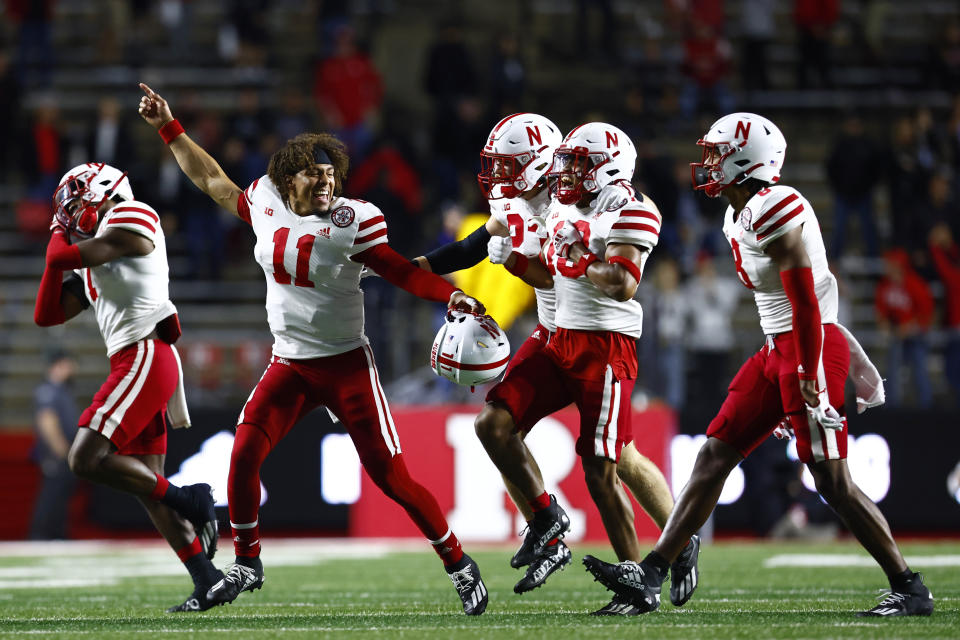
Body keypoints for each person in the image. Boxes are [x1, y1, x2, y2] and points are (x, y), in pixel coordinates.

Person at [138, 83, 490, 616]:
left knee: (391, 476)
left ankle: (459, 563)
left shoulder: (355, 220)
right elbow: (212, 180)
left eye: (331, 174)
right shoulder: (264, 200)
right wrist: (169, 127)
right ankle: (248, 563)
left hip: (347, 363)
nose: (326, 181)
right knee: (244, 453)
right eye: (313, 173)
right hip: (291, 364)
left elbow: (399, 271)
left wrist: (455, 295)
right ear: (288, 179)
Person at [583, 112, 935, 618]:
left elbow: (808, 301)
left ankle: (909, 586)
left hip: (808, 346)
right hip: (778, 349)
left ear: (747, 160)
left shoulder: (776, 204)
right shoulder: (739, 212)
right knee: (713, 456)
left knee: (831, 479)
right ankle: (654, 572)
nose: (708, 163)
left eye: (717, 153)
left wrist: (809, 373)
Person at [415, 114, 694, 606]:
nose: (498, 177)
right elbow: (472, 248)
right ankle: (545, 522)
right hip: (553, 333)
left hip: (602, 338)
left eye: (509, 165)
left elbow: (562, 271)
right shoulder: (538, 198)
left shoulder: (595, 202)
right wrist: (405, 268)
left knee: (614, 460)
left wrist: (523, 260)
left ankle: (668, 548)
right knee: (496, 425)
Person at [33, 161, 221, 613]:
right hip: (136, 359)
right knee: (144, 485)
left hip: (143, 355)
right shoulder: (98, 251)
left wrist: (58, 233)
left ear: (106, 189)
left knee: (84, 458)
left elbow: (60, 258)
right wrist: (59, 242)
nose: (73, 209)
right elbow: (47, 314)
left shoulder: (132, 214)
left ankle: (191, 498)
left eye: (79, 197)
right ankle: (207, 579)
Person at [29, 349, 79, 540]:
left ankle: (56, 535)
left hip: (64, 453)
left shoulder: (62, 390)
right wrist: (62, 451)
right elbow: (47, 420)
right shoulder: (49, 390)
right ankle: (40, 536)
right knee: (51, 495)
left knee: (60, 497)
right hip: (57, 455)